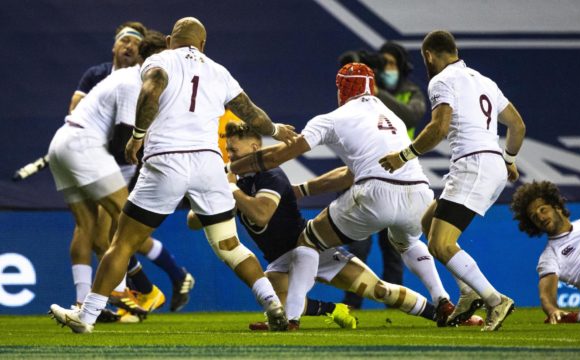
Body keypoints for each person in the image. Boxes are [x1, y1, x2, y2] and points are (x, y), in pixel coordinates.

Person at [50, 17, 297, 334]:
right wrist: (276, 130)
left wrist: (137, 135)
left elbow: (152, 90)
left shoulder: (159, 59)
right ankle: (273, 305)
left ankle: (86, 317)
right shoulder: (219, 71)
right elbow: (250, 112)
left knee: (123, 242)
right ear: (203, 44)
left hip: (167, 161)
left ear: (169, 40)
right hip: (208, 165)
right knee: (231, 246)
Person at [226, 62, 457, 327]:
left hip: (370, 196)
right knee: (408, 244)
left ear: (342, 88)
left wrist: (229, 171)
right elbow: (350, 173)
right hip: (417, 192)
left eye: (234, 150)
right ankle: (443, 303)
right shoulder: (393, 118)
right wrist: (303, 190)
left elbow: (276, 160)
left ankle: (291, 320)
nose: (231, 154)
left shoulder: (329, 121)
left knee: (312, 245)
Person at [188, 122, 477, 329]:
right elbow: (194, 222)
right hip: (280, 261)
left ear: (254, 148)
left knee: (379, 291)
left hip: (312, 248)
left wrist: (231, 192)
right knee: (277, 305)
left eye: (235, 150)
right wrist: (210, 200)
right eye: (227, 151)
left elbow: (262, 215)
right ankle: (331, 309)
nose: (231, 157)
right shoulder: (236, 183)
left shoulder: (270, 176)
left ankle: (442, 313)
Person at [379, 30, 526, 331]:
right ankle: (468, 290)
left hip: (474, 165)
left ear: (429, 56)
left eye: (425, 59)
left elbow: (439, 128)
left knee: (441, 244)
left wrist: (403, 156)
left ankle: (495, 300)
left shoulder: (441, 80)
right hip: (488, 162)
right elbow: (517, 126)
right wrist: (509, 160)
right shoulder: (485, 81)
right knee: (427, 224)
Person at [66, 23, 195, 315]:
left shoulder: (144, 80)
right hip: (93, 157)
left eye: (134, 43)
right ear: (114, 46)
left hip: (125, 160)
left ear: (141, 54)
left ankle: (126, 297)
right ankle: (150, 287)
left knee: (110, 234)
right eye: (123, 40)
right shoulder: (97, 75)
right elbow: (76, 108)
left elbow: (135, 129)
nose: (128, 46)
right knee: (97, 232)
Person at [338, 41, 427, 309]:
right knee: (358, 247)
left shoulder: (411, 93)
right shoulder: (361, 102)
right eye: (381, 64)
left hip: (401, 175)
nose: (386, 69)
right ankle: (353, 300)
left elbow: (412, 117)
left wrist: (372, 93)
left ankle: (395, 305)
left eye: (390, 63)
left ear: (401, 66)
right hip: (365, 175)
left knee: (395, 250)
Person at [510, 180, 580, 323]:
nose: (541, 217)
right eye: (534, 217)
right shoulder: (550, 255)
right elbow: (546, 295)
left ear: (557, 207)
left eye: (543, 209)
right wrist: (553, 311)